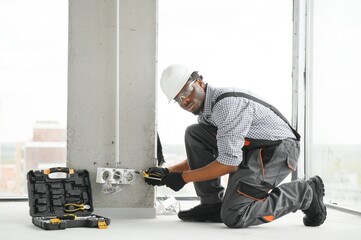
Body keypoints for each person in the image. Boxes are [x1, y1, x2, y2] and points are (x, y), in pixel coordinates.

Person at [145, 64, 327, 228]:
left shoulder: (226, 106)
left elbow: (227, 163)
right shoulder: (207, 112)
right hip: (251, 150)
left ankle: (305, 192)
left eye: (186, 92)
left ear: (199, 82)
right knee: (195, 133)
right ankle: (212, 206)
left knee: (235, 215)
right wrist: (169, 173)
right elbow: (214, 154)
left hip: (277, 151)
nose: (184, 101)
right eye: (178, 100)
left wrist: (183, 177)